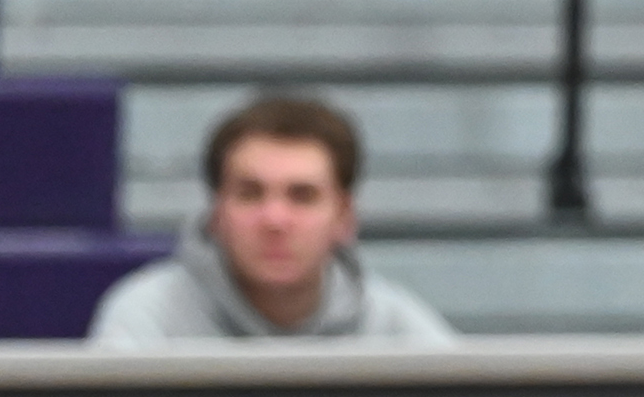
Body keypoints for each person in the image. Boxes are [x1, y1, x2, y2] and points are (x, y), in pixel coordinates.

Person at [89, 95, 455, 347]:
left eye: (302, 196)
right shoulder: (146, 319)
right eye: (250, 194)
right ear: (216, 212)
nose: (275, 219)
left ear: (345, 217)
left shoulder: (398, 328)